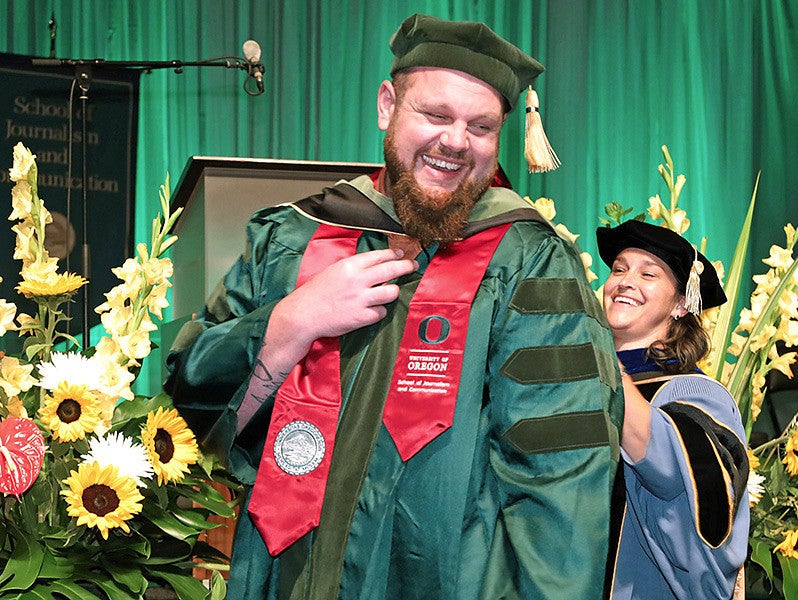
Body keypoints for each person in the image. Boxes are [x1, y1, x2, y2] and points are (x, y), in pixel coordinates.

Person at [165, 13, 623, 600]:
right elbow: (188, 399)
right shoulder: (294, 236)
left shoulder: (531, 265)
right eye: (435, 115)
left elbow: (563, 488)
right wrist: (286, 326)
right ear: (387, 106)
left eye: (480, 127)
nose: (456, 141)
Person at [596, 219, 750, 599]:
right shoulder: (574, 379)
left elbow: (669, 469)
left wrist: (593, 355)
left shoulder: (694, 392)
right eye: (619, 269)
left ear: (681, 304)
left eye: (648, 274)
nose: (626, 281)